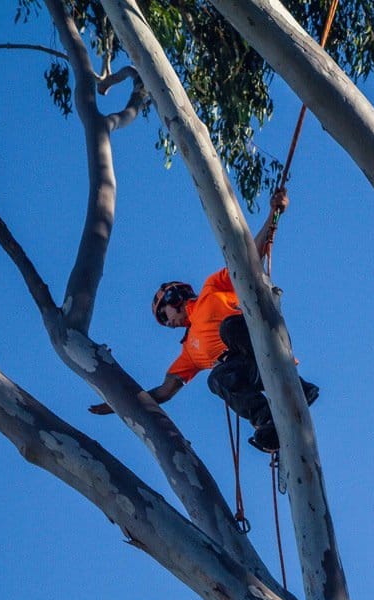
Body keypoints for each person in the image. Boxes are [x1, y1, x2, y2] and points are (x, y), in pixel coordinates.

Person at [88, 189, 317, 452]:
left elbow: (248, 261)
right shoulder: (189, 353)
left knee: (229, 327)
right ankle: (268, 423)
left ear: (174, 298)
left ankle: (296, 386)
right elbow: (163, 392)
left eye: (164, 314)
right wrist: (120, 402)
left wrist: (273, 216)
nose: (166, 321)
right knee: (216, 379)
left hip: (261, 339)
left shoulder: (212, 289)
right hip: (249, 370)